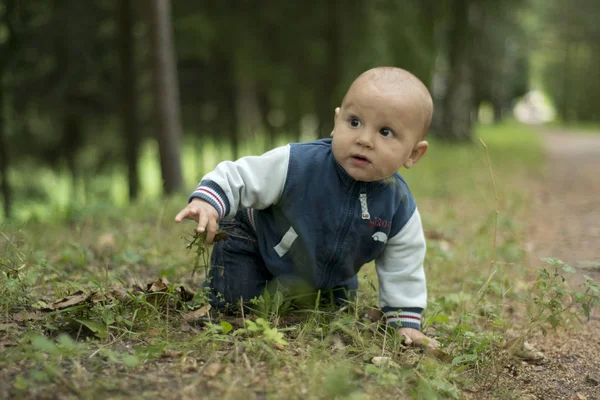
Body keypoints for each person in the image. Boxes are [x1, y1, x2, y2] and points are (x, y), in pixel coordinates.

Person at [175, 66, 439, 348]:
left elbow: (404, 264)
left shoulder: (398, 204)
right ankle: (233, 291)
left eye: (385, 131)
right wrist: (208, 201)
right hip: (254, 244)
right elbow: (241, 175)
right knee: (237, 304)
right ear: (336, 122)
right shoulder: (298, 164)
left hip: (327, 271)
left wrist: (404, 320)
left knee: (334, 314)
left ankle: (304, 291)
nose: (364, 139)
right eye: (354, 122)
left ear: (413, 153)